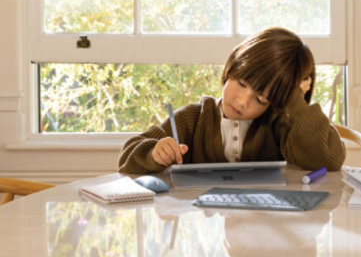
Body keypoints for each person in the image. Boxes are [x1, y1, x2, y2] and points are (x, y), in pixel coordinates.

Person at [118, 27, 345, 174]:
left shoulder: (280, 126)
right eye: (242, 84)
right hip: (202, 228)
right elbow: (127, 158)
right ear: (232, 67)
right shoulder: (192, 119)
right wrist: (154, 153)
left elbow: (329, 160)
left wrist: (295, 100)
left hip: (265, 227)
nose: (243, 101)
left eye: (261, 99)